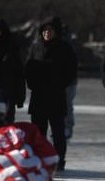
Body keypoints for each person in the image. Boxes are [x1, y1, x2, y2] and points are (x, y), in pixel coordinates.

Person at [25, 16, 78, 172]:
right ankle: (39, 158)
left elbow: (71, 71)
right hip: (39, 96)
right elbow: (28, 67)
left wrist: (60, 84)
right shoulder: (36, 47)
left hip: (56, 96)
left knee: (58, 132)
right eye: (45, 30)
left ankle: (59, 160)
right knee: (38, 132)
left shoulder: (65, 48)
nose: (47, 33)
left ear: (56, 32)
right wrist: (32, 83)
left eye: (50, 30)